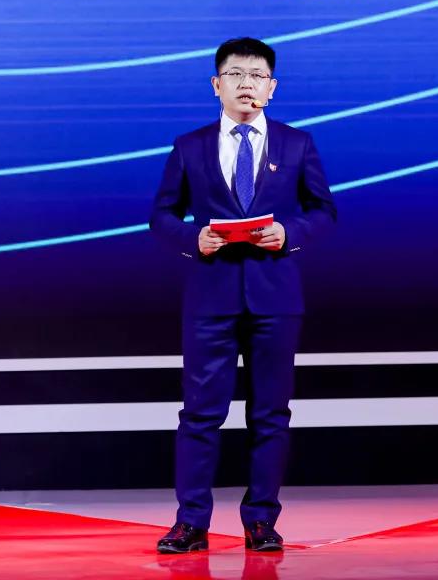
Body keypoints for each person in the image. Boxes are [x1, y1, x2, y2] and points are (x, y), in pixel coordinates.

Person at [149, 37, 337, 553]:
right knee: (200, 414)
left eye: (257, 76)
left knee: (270, 414)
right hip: (210, 298)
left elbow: (323, 211)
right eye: (235, 74)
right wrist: (193, 237)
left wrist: (289, 233)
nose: (246, 84)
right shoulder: (189, 146)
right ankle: (191, 522)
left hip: (276, 299)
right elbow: (161, 215)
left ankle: (260, 521)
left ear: (272, 88)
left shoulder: (297, 144)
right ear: (217, 85)